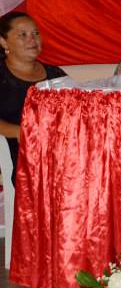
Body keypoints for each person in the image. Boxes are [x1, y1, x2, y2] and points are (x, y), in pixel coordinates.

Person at [0, 11, 67, 170]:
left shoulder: (55, 74)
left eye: (36, 33)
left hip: (64, 157)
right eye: (22, 35)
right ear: (4, 42)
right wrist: (19, 132)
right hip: (27, 165)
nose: (32, 39)